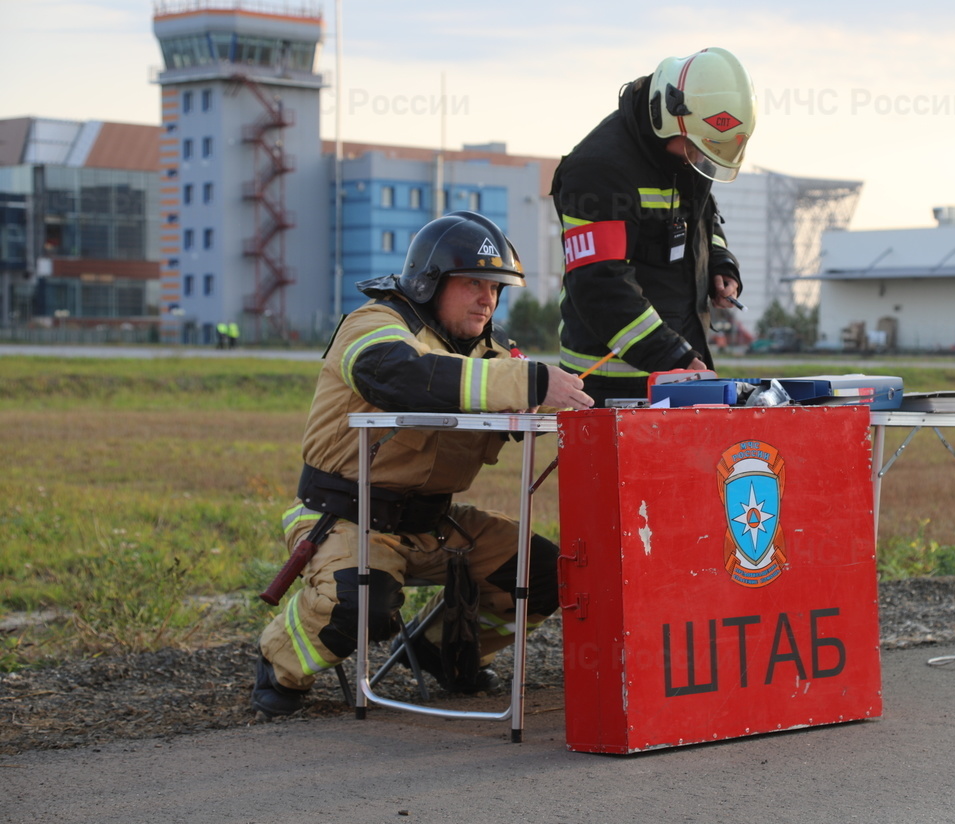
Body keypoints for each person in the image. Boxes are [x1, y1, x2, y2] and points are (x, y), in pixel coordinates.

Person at [251, 211, 593, 717]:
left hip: (434, 524)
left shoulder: (492, 352)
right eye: (473, 283)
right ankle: (279, 663)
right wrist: (528, 384)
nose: (487, 299)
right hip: (347, 517)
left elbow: (515, 388)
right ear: (429, 281)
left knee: (545, 572)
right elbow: (398, 374)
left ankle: (441, 650)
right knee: (361, 603)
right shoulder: (374, 324)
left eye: (496, 288)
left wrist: (541, 403)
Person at [550, 46, 757, 407]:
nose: (700, 158)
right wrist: (673, 357)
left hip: (681, 370)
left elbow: (703, 221)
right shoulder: (598, 170)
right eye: (695, 148)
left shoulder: (686, 154)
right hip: (610, 388)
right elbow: (600, 283)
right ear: (668, 117)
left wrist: (720, 264)